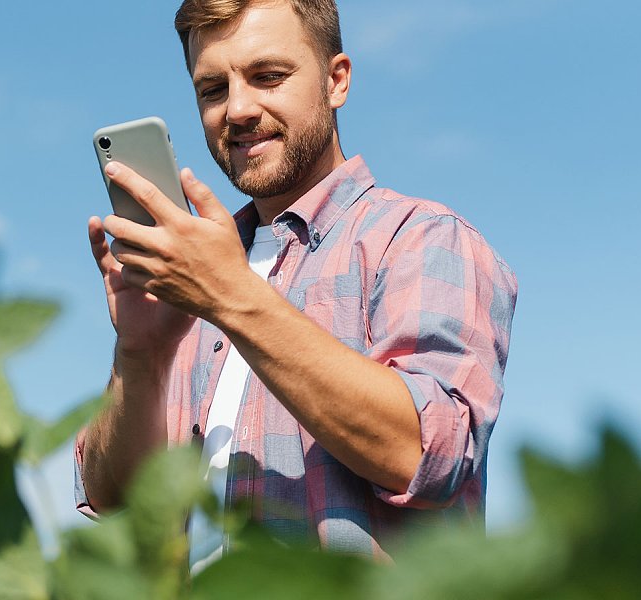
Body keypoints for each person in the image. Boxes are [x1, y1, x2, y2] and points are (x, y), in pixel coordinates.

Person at [74, 0, 518, 566]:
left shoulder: (423, 239)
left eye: (268, 77)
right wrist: (141, 351)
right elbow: (115, 502)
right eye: (212, 89)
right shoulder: (186, 275)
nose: (236, 109)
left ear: (337, 81)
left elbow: (433, 452)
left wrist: (231, 297)